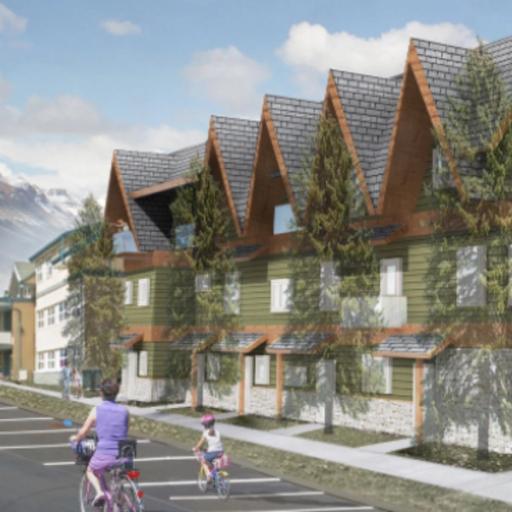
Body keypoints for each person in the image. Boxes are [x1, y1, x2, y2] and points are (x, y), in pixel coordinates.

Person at [70, 378, 129, 507]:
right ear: (116, 393)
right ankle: (122, 499)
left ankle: (99, 492)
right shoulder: (125, 411)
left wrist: (76, 438)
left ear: (101, 393)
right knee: (118, 475)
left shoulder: (97, 410)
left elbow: (84, 432)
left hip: (106, 452)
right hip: (125, 453)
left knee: (90, 470)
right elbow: (124, 431)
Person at [193, 414, 224, 482]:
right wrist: (207, 449)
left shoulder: (206, 433)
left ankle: (209, 476)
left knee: (203, 460)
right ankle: (215, 473)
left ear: (205, 424)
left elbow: (200, 444)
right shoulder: (217, 431)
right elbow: (215, 443)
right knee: (213, 462)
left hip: (213, 452)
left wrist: (196, 448)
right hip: (221, 451)